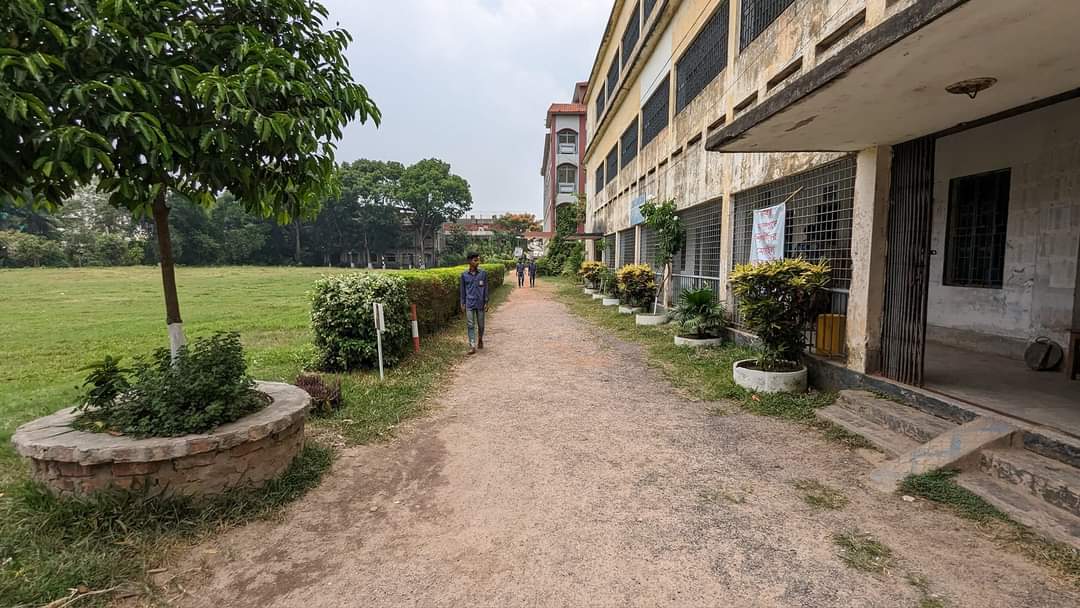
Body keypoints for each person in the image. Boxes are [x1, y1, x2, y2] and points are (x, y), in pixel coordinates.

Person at [460, 252, 488, 354]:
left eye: (478, 260)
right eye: (475, 260)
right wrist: (462, 303)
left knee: (481, 325)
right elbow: (462, 290)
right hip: (469, 304)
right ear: (469, 261)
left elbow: (486, 289)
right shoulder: (464, 275)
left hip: (480, 303)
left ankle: (480, 338)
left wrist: (486, 302)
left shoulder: (483, 274)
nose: (477, 262)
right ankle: (472, 345)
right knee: (470, 324)